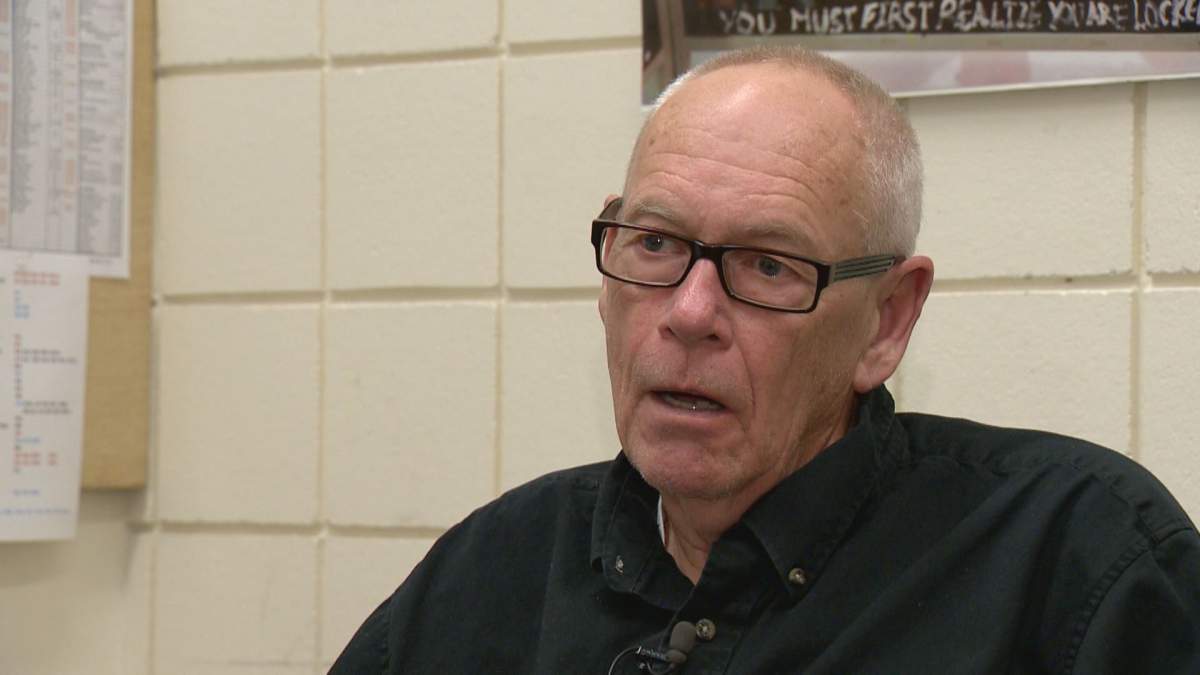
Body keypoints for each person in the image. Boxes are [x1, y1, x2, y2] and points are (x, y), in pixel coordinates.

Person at [331, 46, 1199, 673]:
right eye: (656, 243)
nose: (690, 312)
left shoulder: (1072, 564)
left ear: (887, 321)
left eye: (768, 266)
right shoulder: (495, 571)